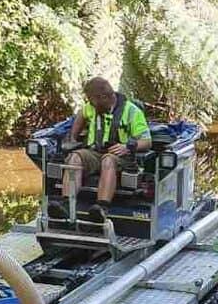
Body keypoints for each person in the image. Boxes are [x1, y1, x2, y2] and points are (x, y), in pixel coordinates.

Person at [50, 76, 151, 222]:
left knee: (108, 161)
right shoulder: (92, 108)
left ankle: (101, 208)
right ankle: (66, 204)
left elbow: (147, 141)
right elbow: (81, 115)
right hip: (94, 152)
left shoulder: (132, 112)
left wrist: (128, 146)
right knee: (74, 157)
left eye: (92, 100)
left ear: (104, 97)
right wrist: (73, 136)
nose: (90, 103)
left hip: (120, 156)